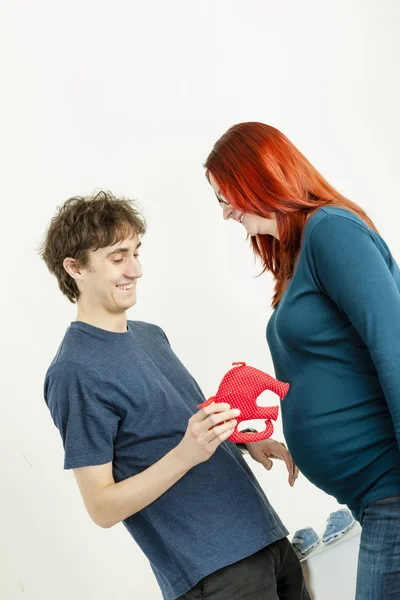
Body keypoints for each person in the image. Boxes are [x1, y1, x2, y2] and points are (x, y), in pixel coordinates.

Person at [40, 190, 309, 600]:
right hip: (214, 575)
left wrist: (241, 441)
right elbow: (102, 507)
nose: (136, 269)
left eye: (135, 252)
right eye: (118, 257)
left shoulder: (150, 335)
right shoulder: (73, 372)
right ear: (75, 268)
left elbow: (173, 430)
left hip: (266, 537)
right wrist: (188, 453)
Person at [205, 122, 400, 600]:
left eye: (227, 194)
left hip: (391, 488)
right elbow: (332, 359)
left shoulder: (331, 230)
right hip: (373, 498)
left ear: (261, 175)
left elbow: (392, 343)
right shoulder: (295, 256)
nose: (227, 211)